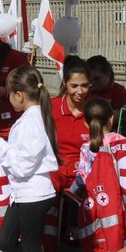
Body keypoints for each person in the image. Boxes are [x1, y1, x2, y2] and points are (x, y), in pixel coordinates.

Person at [0, 65, 58, 252]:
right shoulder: (30, 118)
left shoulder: (32, 121)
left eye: (10, 95)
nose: (9, 100)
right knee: (6, 241)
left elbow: (23, 164)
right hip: (23, 193)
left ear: (19, 95)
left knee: (31, 247)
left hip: (34, 193)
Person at [50, 56, 93, 190]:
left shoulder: (95, 110)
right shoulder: (51, 107)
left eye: (84, 85)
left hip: (87, 176)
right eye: (74, 86)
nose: (80, 92)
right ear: (65, 83)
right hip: (57, 174)